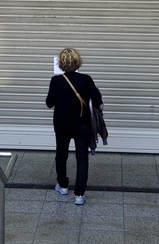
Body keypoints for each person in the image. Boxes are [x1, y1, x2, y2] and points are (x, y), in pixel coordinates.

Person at [45, 48, 103, 205]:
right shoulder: (86, 79)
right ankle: (79, 194)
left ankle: (63, 185)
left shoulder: (56, 81)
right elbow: (98, 99)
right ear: (78, 62)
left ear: (61, 64)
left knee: (61, 155)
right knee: (82, 158)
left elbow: (49, 103)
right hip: (82, 125)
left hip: (62, 125)